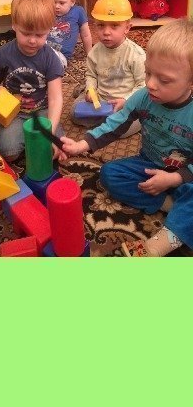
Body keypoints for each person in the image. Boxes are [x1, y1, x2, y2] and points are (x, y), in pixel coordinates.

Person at [61, 18, 193, 257]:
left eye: (164, 80)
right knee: (109, 174)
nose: (150, 84)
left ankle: (160, 245)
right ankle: (172, 206)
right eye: (148, 73)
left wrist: (174, 178)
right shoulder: (143, 97)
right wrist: (82, 144)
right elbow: (116, 123)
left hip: (186, 174)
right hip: (148, 164)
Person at [0, 0, 66, 162]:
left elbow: (56, 98)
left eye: (40, 35)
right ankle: (26, 140)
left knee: (55, 150)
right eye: (26, 33)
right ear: (14, 25)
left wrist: (49, 131)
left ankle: (36, 140)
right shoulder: (4, 53)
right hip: (14, 112)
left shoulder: (51, 58)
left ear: (49, 29)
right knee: (8, 153)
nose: (33, 40)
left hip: (43, 111)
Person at [71, 0, 145, 137]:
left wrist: (126, 101)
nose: (106, 32)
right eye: (101, 25)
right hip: (101, 100)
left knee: (126, 129)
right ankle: (85, 92)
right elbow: (91, 75)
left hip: (126, 102)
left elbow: (143, 85)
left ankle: (106, 122)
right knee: (74, 113)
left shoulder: (136, 55)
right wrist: (90, 90)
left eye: (114, 26)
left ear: (127, 28)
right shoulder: (94, 52)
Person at [46, 0, 93, 65]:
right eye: (54, 2)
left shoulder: (78, 12)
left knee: (49, 64)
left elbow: (86, 35)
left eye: (61, 3)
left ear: (72, 2)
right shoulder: (47, 11)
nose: (57, 6)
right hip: (44, 48)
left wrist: (89, 54)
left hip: (61, 54)